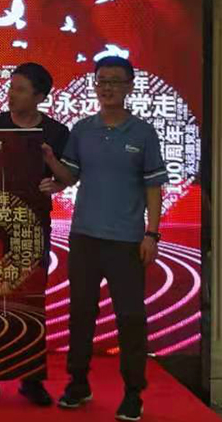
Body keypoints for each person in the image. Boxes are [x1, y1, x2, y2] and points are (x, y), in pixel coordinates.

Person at [55, 56, 165, 422]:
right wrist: (45, 159)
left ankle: (133, 393)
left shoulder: (143, 133)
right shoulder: (82, 129)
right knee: (81, 313)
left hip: (126, 241)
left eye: (116, 81)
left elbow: (153, 187)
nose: (108, 87)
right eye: (102, 81)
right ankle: (77, 383)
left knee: (130, 316)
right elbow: (69, 176)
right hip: (84, 236)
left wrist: (152, 234)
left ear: (130, 86)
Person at [0, 62, 70, 408]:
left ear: (40, 96)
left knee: (30, 300)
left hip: (32, 222)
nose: (11, 94)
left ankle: (31, 379)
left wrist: (55, 176)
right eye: (11, 87)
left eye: (20, 89)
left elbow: (69, 176)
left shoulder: (56, 132)